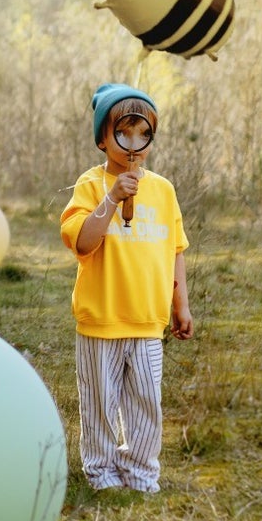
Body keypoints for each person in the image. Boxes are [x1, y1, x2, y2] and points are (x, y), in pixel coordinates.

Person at [59, 82, 193, 494]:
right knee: (100, 401)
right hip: (102, 318)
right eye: (123, 133)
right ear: (103, 139)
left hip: (148, 320)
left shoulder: (163, 190)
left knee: (146, 403)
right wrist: (113, 198)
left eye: (143, 133)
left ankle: (140, 471)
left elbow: (175, 251)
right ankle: (101, 471)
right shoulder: (90, 184)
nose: (133, 144)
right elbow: (82, 241)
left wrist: (180, 306)